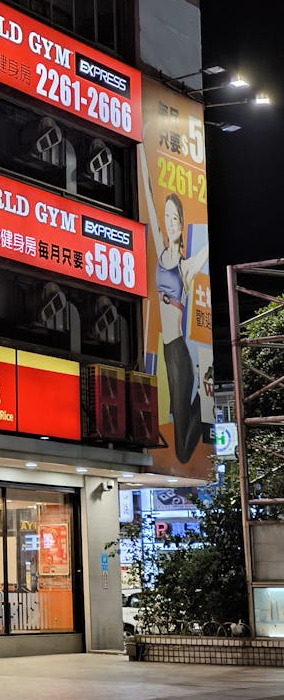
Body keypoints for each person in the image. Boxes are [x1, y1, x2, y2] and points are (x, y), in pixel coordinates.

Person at [139, 145, 209, 463]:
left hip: (179, 354)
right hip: (169, 355)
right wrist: (141, 152)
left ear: (182, 224)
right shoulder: (159, 248)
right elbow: (150, 200)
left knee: (181, 451)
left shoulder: (183, 266)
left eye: (174, 218)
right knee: (179, 441)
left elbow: (206, 252)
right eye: (167, 217)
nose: (168, 222)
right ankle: (204, 400)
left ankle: (205, 402)